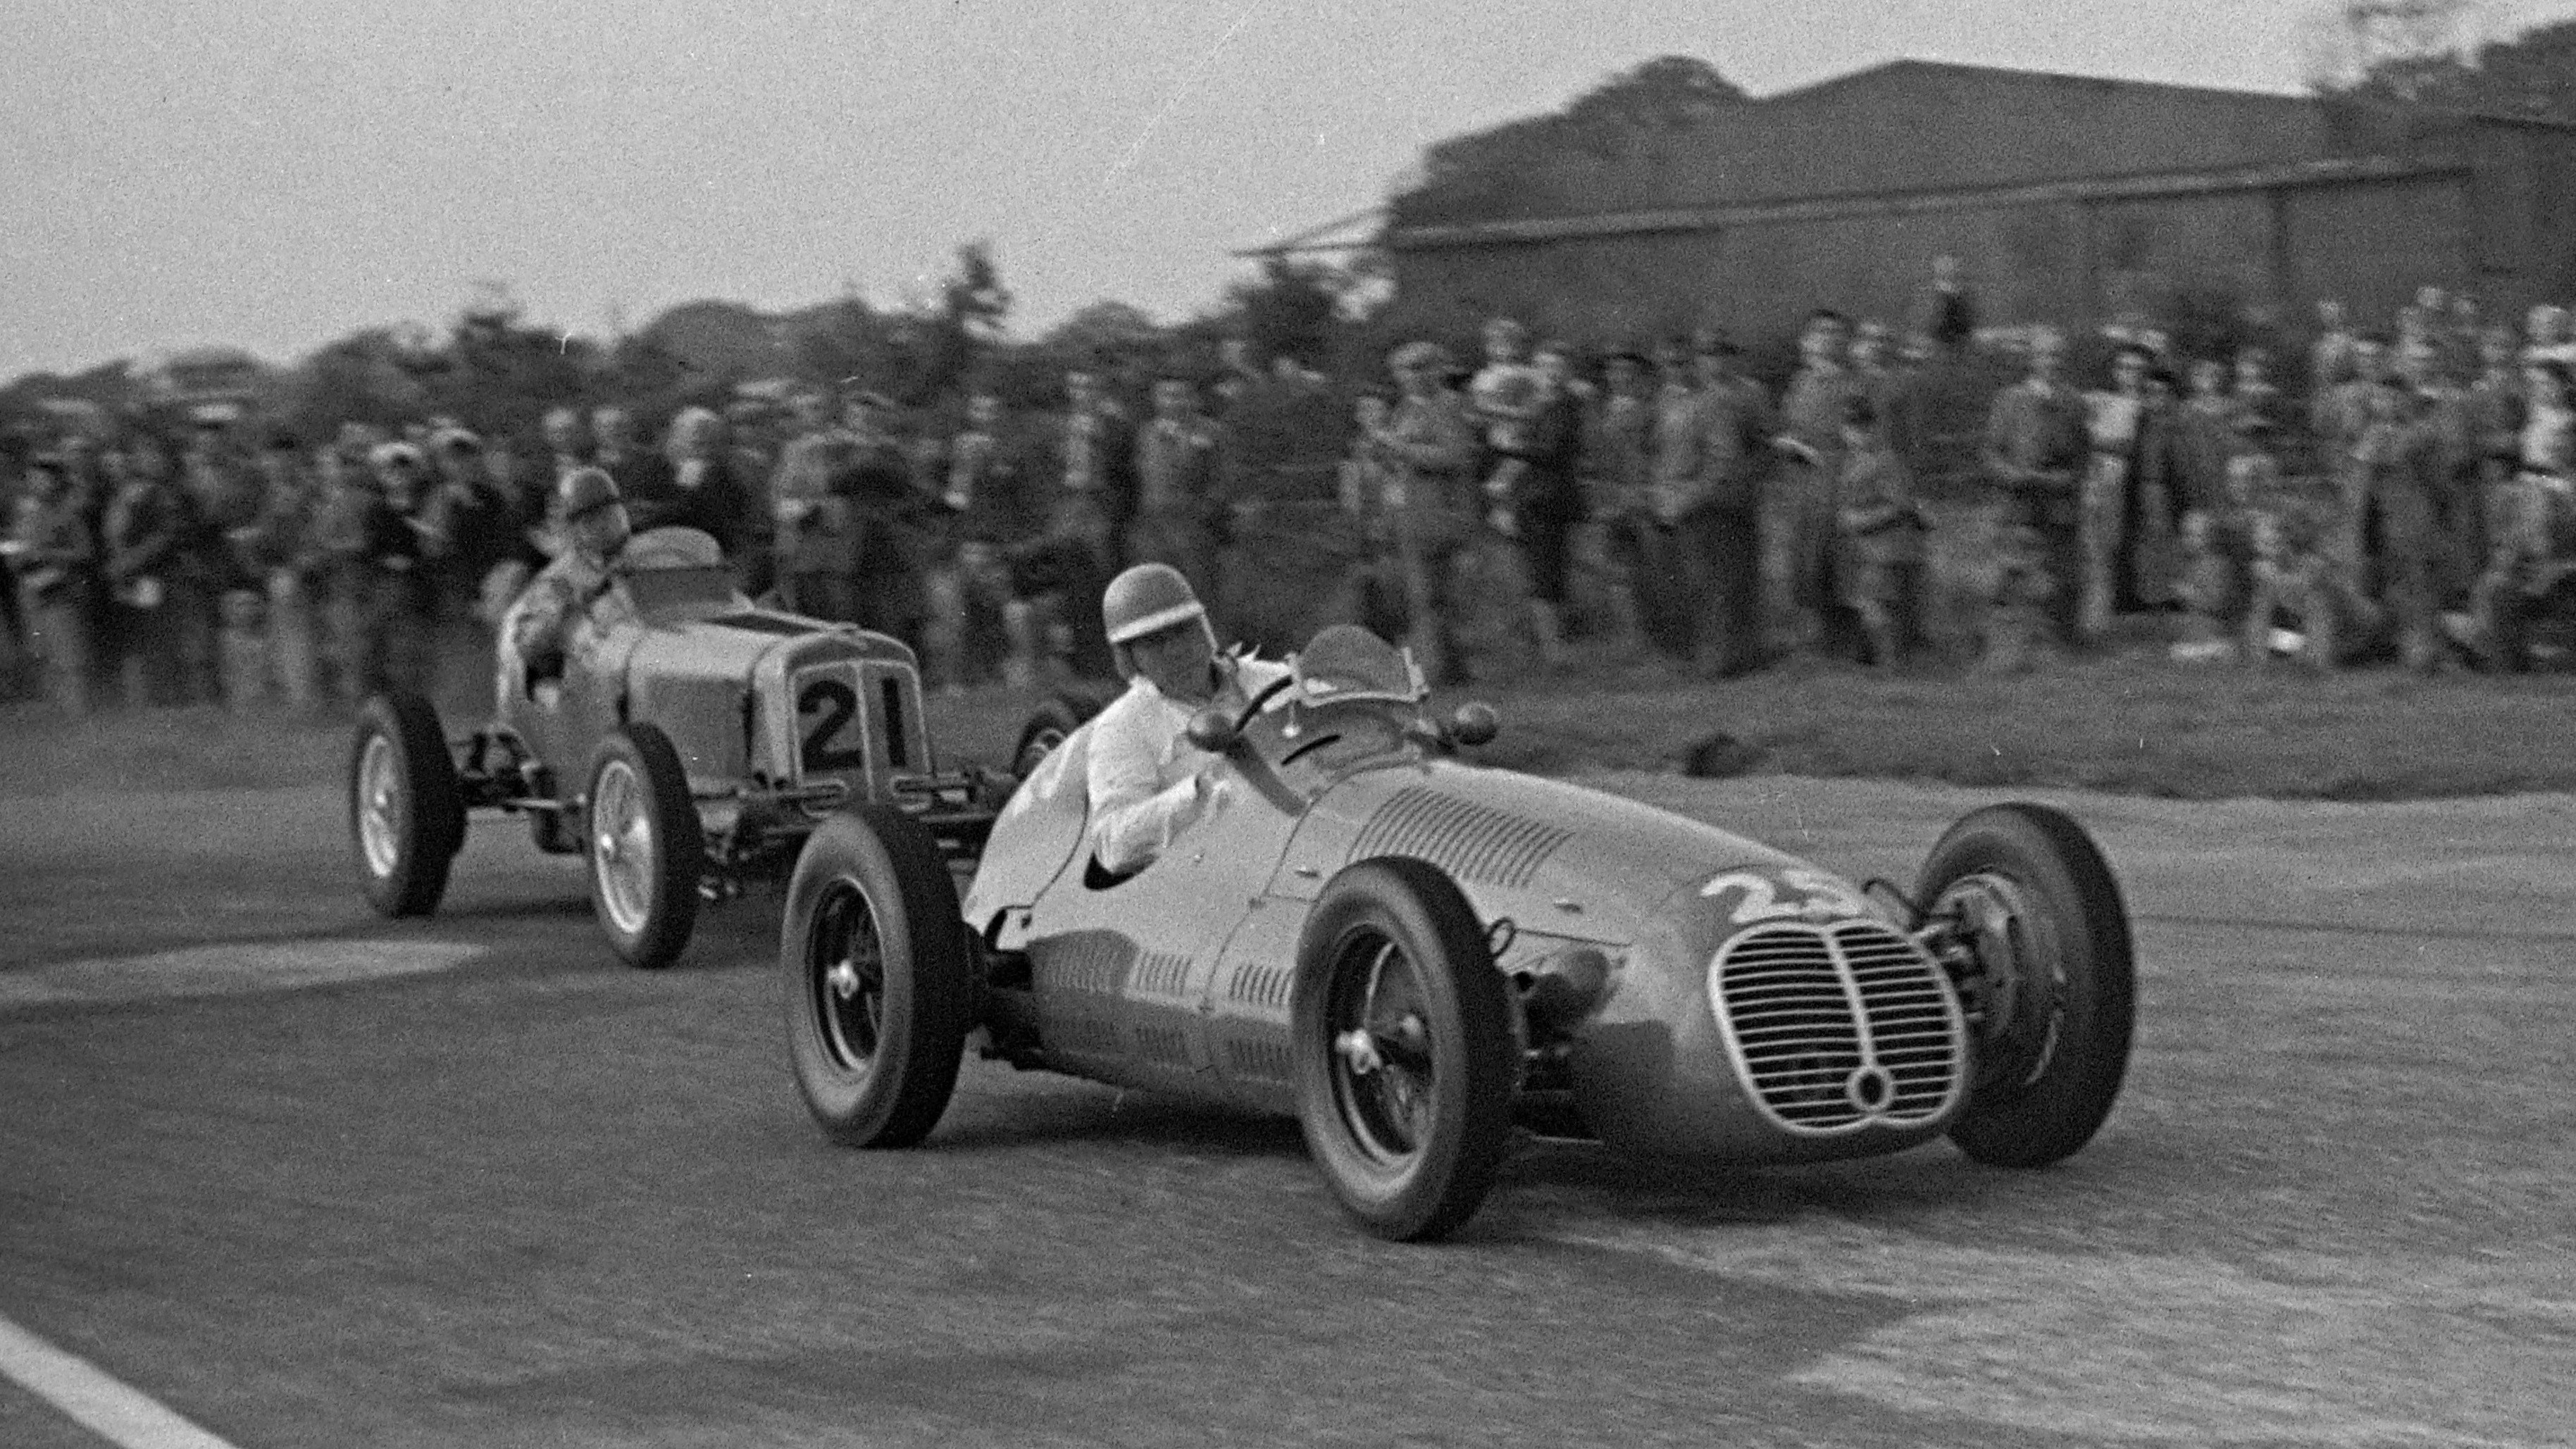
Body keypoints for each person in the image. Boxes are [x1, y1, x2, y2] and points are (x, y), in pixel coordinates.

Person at [1083, 563, 1292, 877]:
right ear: (1129, 657)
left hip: (1310, 828)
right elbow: (1113, 844)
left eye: (1183, 630)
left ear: (1204, 629)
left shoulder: (1277, 679)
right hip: (1224, 872)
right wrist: (1202, 791)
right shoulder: (1122, 727)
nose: (1176, 650)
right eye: (1154, 642)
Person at [502, 466, 635, 689]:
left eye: (612, 512)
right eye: (592, 518)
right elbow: (529, 646)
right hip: (597, 682)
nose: (606, 523)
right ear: (574, 525)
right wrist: (568, 606)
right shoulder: (560, 578)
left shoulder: (651, 555)